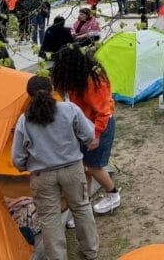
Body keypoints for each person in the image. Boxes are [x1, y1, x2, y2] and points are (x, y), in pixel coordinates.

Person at [11, 75, 99, 260]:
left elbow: (17, 158)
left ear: (29, 95)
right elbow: (90, 135)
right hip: (73, 169)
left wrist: (29, 166)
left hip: (42, 175)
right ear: (52, 90)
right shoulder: (69, 109)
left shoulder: (24, 121)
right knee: (82, 208)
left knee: (49, 219)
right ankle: (91, 251)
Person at [51, 46, 120, 215]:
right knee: (83, 168)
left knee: (93, 167)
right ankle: (84, 205)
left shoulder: (92, 81)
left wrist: (96, 135)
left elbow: (104, 112)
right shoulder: (78, 78)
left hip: (98, 127)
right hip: (84, 127)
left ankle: (113, 195)